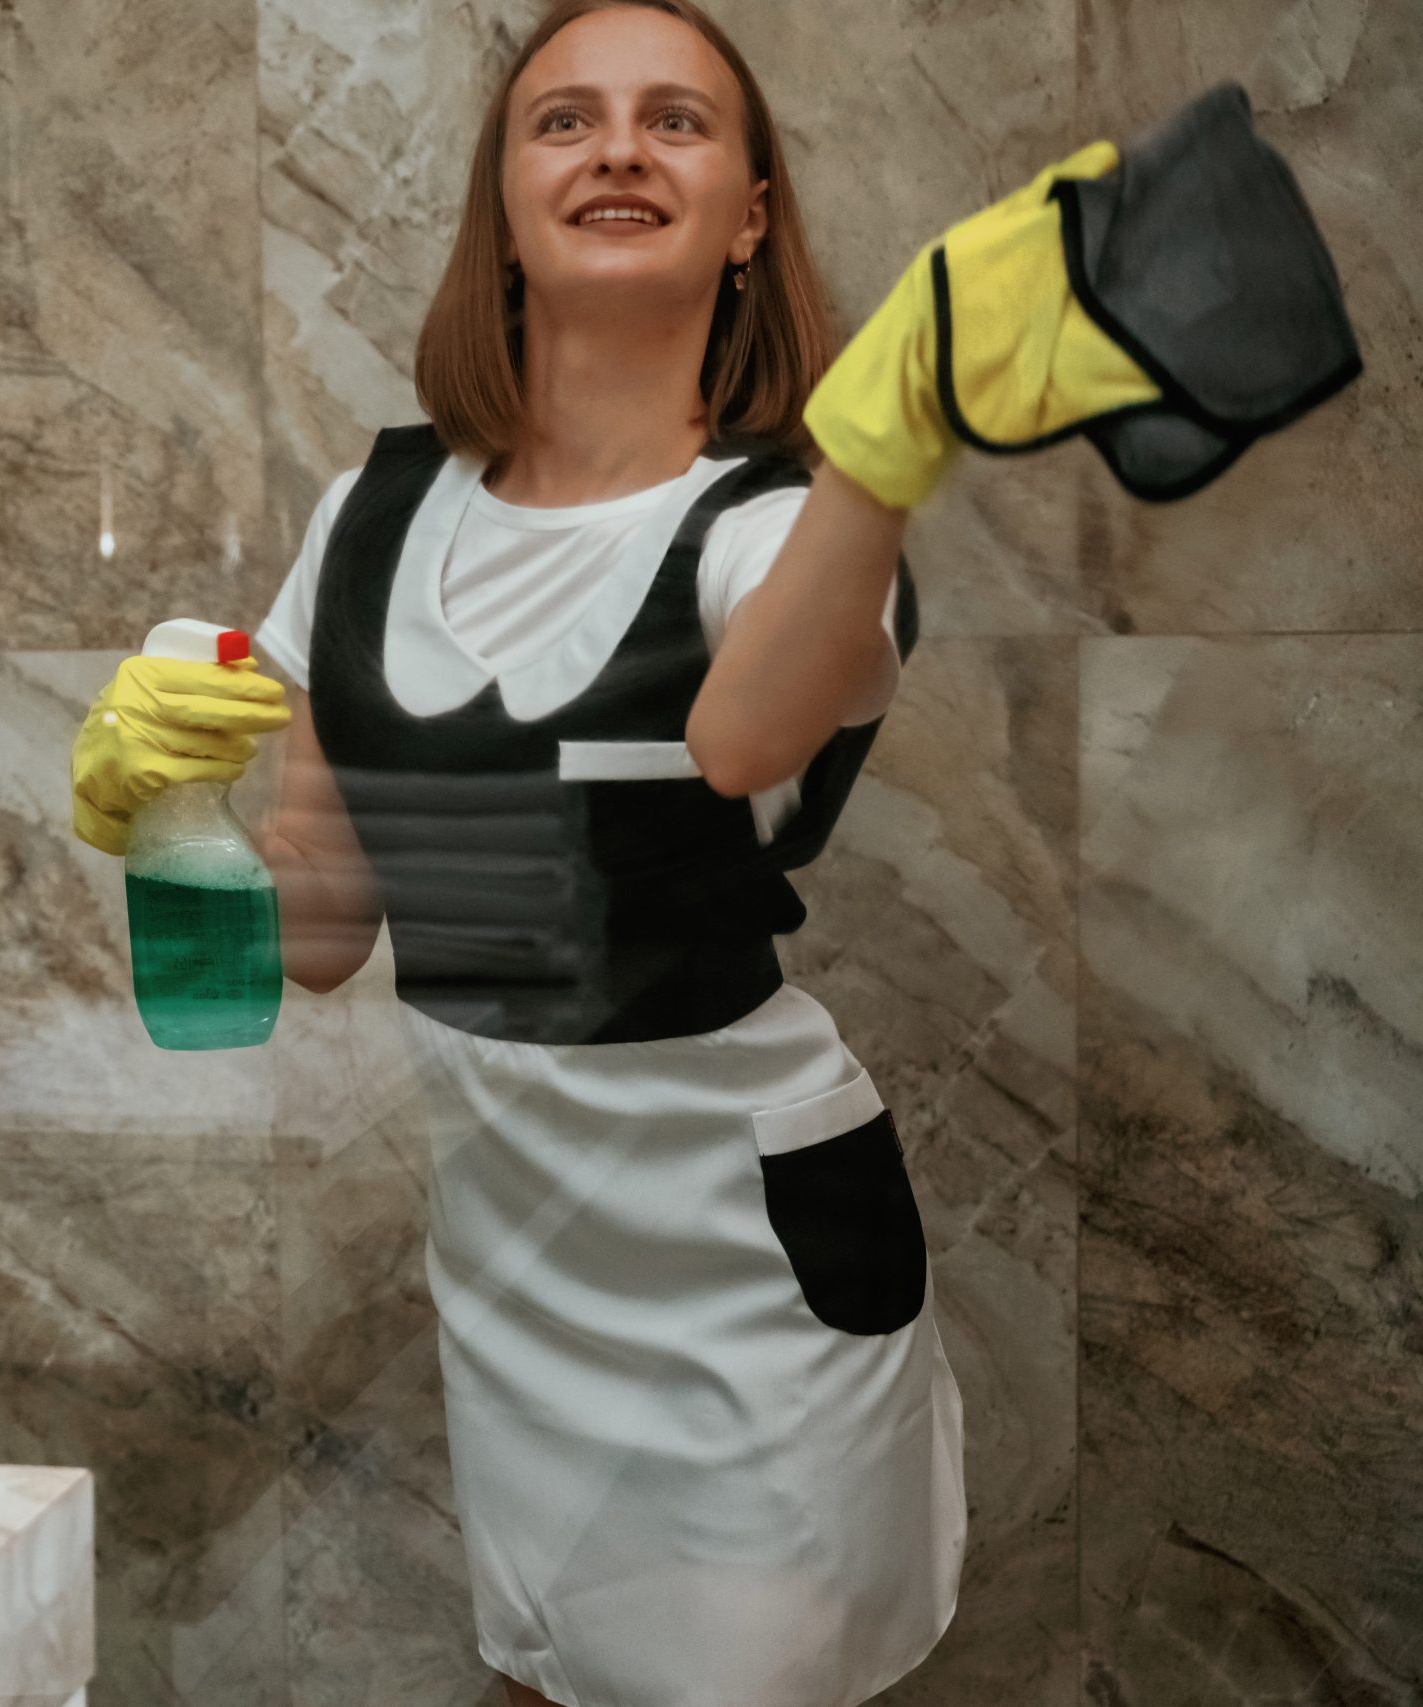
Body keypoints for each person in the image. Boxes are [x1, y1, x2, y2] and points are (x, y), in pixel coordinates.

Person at [67, 2, 1357, 1700]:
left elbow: (741, 738)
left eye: (676, 120)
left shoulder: (785, 529)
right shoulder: (367, 516)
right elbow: (318, 936)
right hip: (513, 1263)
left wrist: (880, 456)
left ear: (750, 214)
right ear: (502, 206)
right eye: (563, 121)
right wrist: (166, 809)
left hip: (742, 1260)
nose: (616, 147)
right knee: (539, 1671)